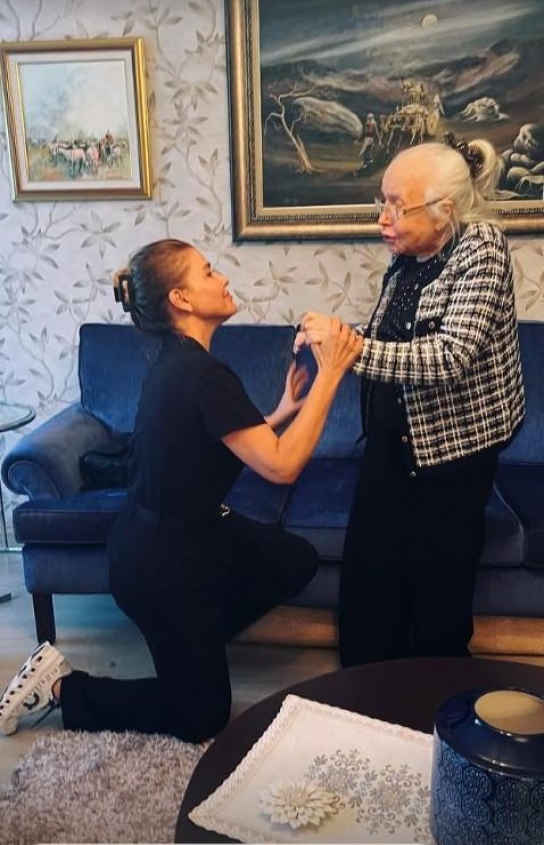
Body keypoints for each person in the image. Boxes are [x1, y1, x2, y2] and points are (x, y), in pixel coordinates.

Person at [0, 240, 362, 741]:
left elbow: (223, 436)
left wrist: (284, 409)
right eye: (208, 272)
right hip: (161, 565)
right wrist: (331, 375)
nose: (223, 279)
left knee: (293, 559)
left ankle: (196, 639)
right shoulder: (198, 372)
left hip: (189, 535)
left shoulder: (184, 363)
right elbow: (281, 467)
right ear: (182, 299)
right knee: (201, 715)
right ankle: (63, 687)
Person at [297, 135, 525, 666]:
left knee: (439, 588)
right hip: (392, 439)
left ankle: (432, 697)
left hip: (455, 449)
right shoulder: (410, 253)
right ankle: (364, 688)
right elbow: (391, 334)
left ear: (444, 210)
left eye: (398, 206)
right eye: (382, 201)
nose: (383, 217)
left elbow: (449, 356)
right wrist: (330, 335)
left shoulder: (482, 247)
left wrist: (348, 350)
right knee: (371, 571)